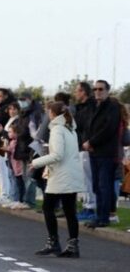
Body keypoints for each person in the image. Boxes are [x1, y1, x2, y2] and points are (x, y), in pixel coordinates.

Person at [29, 102, 84, 257]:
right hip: (70, 173)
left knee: (48, 208)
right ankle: (73, 245)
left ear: (52, 113)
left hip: (60, 175)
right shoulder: (70, 128)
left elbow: (57, 155)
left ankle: (53, 242)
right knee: (69, 210)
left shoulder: (57, 130)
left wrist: (36, 162)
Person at [82, 80, 122, 228]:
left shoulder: (112, 107)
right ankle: (99, 216)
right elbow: (87, 126)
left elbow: (108, 129)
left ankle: (104, 217)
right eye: (95, 89)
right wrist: (87, 142)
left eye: (100, 89)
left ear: (107, 91)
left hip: (106, 153)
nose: (97, 92)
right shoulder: (94, 107)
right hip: (94, 152)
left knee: (104, 185)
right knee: (96, 186)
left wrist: (92, 142)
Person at [72, 81, 97, 222]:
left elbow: (85, 126)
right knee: (84, 179)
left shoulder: (89, 107)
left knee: (88, 179)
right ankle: (87, 206)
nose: (76, 93)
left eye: (78, 91)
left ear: (84, 92)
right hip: (81, 146)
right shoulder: (81, 108)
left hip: (86, 146)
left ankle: (90, 208)